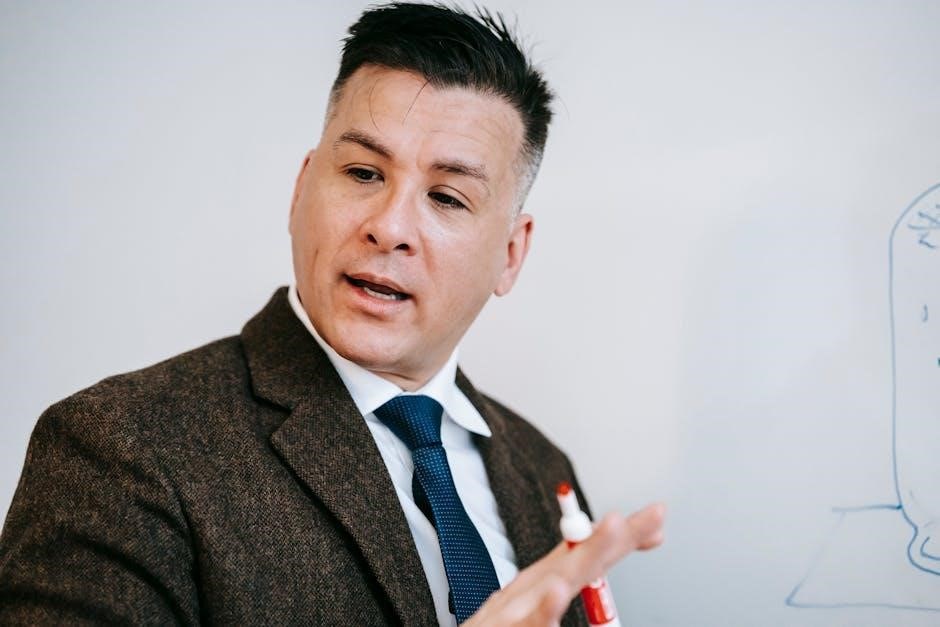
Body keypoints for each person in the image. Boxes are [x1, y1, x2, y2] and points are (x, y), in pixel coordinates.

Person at [0, 3, 664, 625]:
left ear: (511, 254)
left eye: (446, 197)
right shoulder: (120, 448)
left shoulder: (543, 469)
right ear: (301, 189)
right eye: (363, 173)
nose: (389, 227)